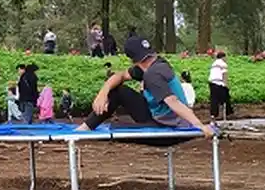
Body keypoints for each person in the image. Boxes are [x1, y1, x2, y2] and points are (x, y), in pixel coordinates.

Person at [77, 35, 214, 136]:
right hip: (158, 115)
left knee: (118, 124)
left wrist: (199, 125)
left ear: (133, 60)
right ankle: (86, 127)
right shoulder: (154, 64)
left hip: (169, 124)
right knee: (118, 90)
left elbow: (173, 101)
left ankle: (85, 128)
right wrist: (103, 93)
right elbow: (120, 75)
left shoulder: (153, 74)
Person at [208, 51, 232, 120]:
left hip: (212, 83)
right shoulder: (223, 64)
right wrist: (227, 85)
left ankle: (213, 115)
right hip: (219, 83)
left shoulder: (214, 64)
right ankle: (227, 113)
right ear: (223, 57)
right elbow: (224, 75)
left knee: (214, 100)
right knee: (226, 98)